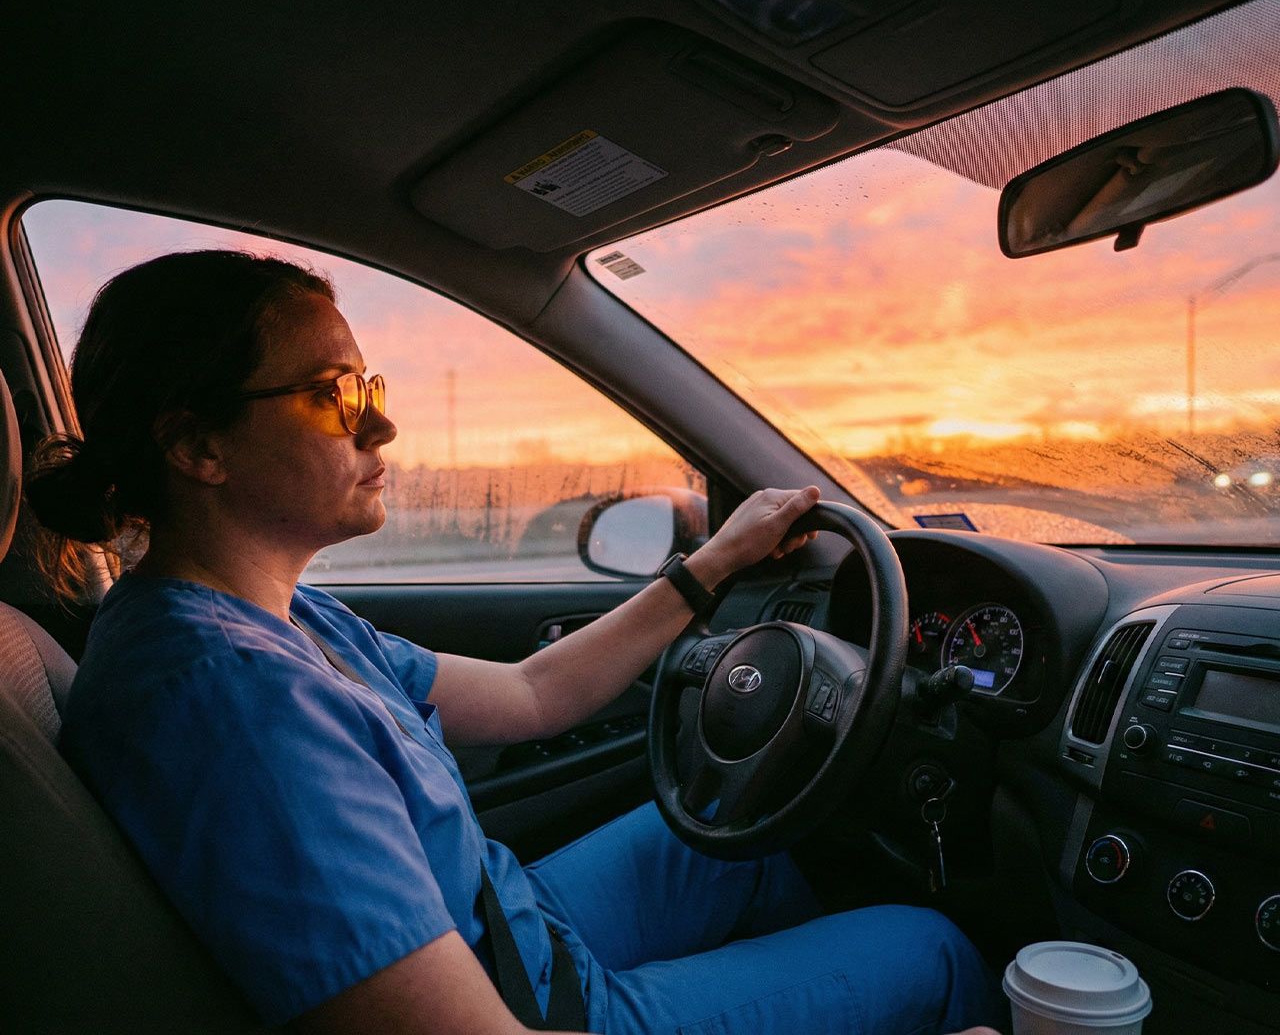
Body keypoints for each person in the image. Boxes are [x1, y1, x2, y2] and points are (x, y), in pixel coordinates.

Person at [27, 250, 1005, 1035]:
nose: (382, 421)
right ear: (197, 446)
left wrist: (715, 561)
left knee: (747, 844)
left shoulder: (272, 618)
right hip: (530, 1001)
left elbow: (534, 694)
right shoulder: (237, 711)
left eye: (366, 380)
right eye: (331, 392)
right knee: (927, 948)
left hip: (506, 926)